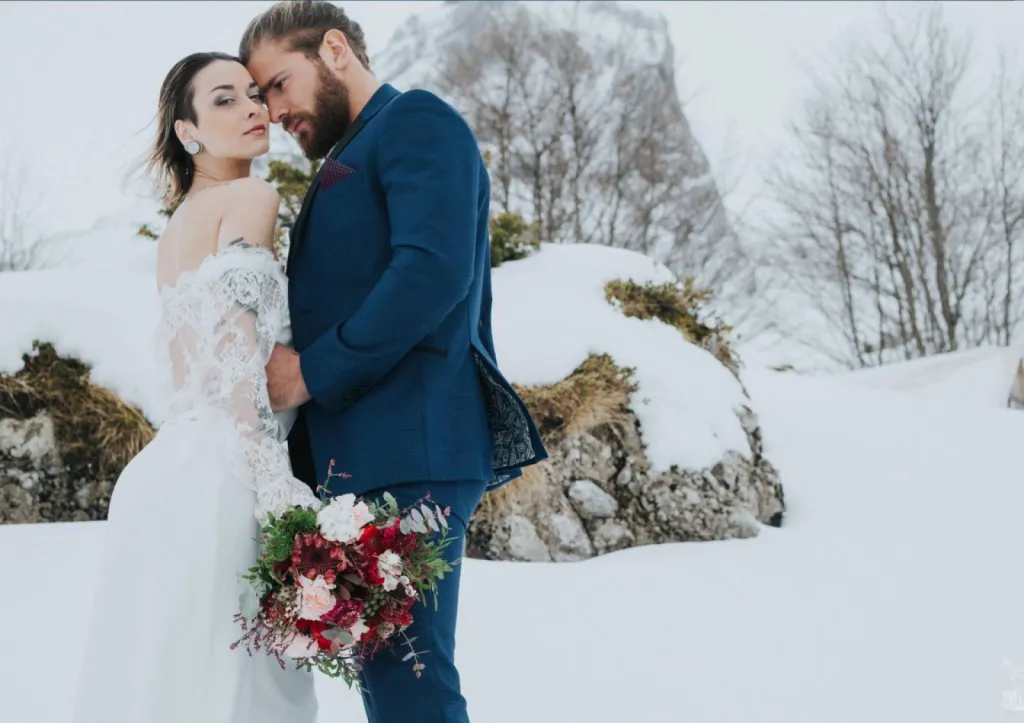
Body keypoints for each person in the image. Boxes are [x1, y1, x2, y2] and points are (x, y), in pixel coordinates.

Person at [239, 2, 548, 722]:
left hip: (413, 449)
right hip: (375, 458)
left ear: (335, 49)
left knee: (411, 686)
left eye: (279, 84)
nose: (275, 111)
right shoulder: (359, 146)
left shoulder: (415, 121)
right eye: (262, 97)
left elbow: (431, 273)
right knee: (395, 681)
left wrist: (311, 372)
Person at [70, 53, 321, 723]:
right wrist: (276, 485)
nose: (252, 109)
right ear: (188, 131)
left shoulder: (179, 222)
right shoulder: (253, 196)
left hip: (165, 472)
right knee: (240, 693)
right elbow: (237, 352)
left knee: (169, 686)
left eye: (252, 93)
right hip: (226, 475)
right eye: (223, 100)